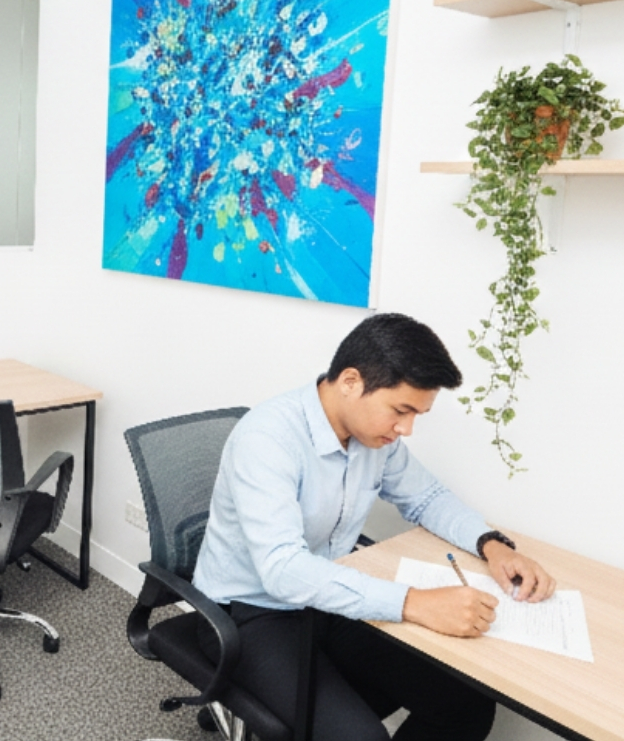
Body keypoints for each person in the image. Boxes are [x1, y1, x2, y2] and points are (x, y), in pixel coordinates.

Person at [191, 312, 556, 741]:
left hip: (328, 596)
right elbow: (283, 570)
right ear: (350, 382)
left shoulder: (374, 441)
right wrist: (416, 603)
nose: (407, 429)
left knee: (466, 704)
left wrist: (494, 546)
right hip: (249, 613)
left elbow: (428, 497)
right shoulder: (268, 438)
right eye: (401, 411)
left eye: (417, 415)